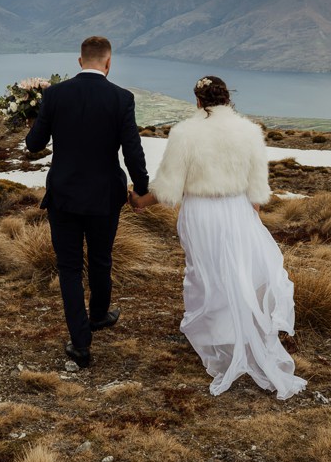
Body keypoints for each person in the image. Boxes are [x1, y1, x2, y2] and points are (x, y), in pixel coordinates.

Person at [131, 76, 306, 400]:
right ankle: (237, 335)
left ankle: (218, 337)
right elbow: (257, 187)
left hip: (201, 213)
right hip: (238, 210)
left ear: (198, 101)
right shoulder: (248, 132)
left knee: (206, 273)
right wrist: (249, 216)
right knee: (238, 272)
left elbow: (170, 185)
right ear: (228, 99)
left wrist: (140, 201)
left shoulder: (185, 132)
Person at [26, 36, 149, 368]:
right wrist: (142, 188)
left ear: (80, 61)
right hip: (105, 195)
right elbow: (132, 150)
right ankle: (98, 316)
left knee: (68, 268)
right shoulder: (121, 98)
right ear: (109, 63)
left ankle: (80, 344)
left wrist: (35, 120)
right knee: (100, 258)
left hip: (64, 195)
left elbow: (34, 145)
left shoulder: (54, 95)